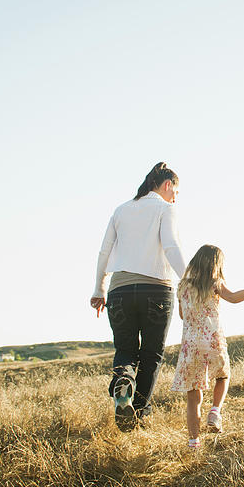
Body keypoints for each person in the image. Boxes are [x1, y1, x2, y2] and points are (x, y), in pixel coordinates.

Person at [91, 162, 186, 431]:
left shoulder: (120, 210)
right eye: (175, 191)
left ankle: (124, 382)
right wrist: (190, 279)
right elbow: (170, 245)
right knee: (151, 355)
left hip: (119, 291)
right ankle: (139, 415)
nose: (176, 197)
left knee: (125, 350)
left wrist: (99, 289)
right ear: (167, 185)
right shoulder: (166, 209)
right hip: (156, 289)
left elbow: (103, 252)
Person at [170, 244, 244, 450]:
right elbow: (234, 298)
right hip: (212, 340)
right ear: (216, 265)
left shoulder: (182, 286)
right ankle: (215, 411)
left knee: (193, 396)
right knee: (223, 376)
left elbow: (182, 315)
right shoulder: (215, 283)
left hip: (191, 346)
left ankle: (193, 443)